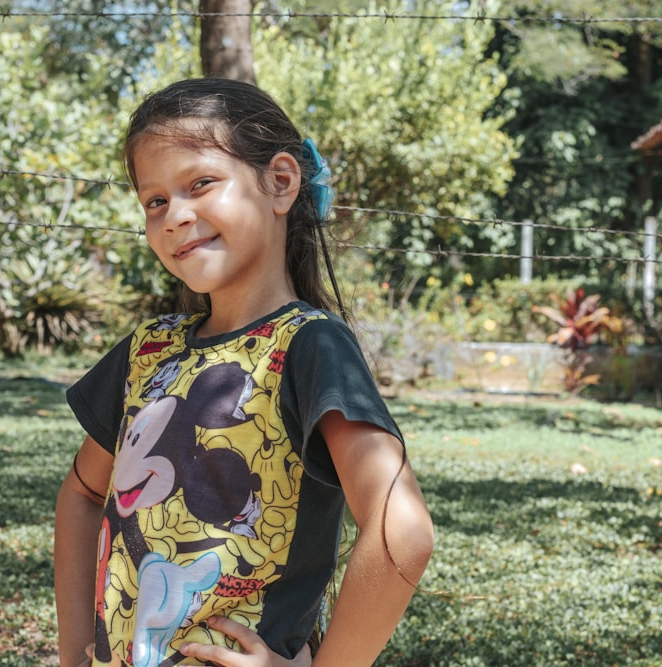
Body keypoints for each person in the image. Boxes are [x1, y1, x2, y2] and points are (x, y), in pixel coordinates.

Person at [54, 77, 435, 667]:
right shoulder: (147, 351)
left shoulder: (309, 347)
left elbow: (401, 531)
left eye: (200, 183)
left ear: (280, 183)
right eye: (154, 201)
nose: (175, 216)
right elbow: (81, 495)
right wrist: (73, 653)